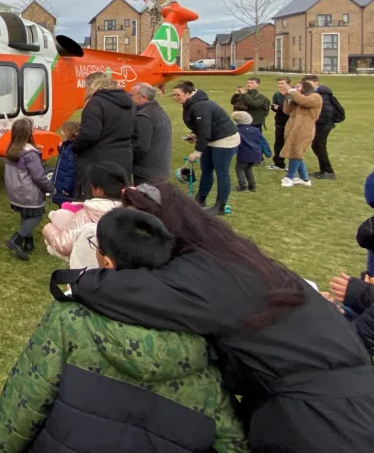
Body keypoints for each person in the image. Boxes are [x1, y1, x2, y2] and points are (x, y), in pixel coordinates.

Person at [72, 181, 374, 452]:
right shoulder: (232, 255)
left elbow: (119, 290)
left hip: (320, 421)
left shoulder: (201, 274)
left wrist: (83, 276)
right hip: (351, 400)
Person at [0, 207, 248, 453]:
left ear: (107, 263)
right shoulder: (202, 334)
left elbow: (24, 402)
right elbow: (232, 437)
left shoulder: (70, 319)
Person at [171, 80, 238, 216]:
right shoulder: (190, 104)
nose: (175, 98)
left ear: (188, 94)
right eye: (174, 95)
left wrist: (197, 152)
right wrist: (194, 134)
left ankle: (220, 206)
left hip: (225, 139)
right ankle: (200, 200)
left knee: (221, 172)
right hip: (211, 138)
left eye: (178, 95)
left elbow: (204, 130)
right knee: (206, 170)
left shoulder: (201, 106)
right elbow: (200, 128)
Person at [42, 161, 124, 269]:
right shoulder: (128, 213)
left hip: (85, 273)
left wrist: (48, 228)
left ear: (99, 190)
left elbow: (64, 245)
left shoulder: (86, 214)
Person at [69, 72, 135, 198]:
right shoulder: (128, 103)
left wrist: (75, 146)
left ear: (92, 85)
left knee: (95, 199)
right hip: (124, 156)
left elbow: (89, 134)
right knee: (118, 197)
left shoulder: (96, 103)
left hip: (99, 159)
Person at [3, 118, 54, 261]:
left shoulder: (11, 149)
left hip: (15, 191)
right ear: (29, 133)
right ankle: (17, 239)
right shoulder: (30, 154)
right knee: (37, 215)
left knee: (26, 214)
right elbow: (39, 177)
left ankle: (28, 242)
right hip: (28, 192)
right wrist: (51, 188)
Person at [280, 79, 322, 188]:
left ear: (305, 88)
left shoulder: (315, 97)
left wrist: (292, 92)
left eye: (298, 87)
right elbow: (286, 111)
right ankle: (305, 179)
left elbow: (305, 102)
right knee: (295, 152)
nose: (296, 89)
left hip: (304, 129)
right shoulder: (297, 99)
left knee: (296, 151)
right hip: (292, 128)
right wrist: (288, 99)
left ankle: (289, 177)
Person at [129, 82, 172, 185]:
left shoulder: (143, 116)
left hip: (146, 173)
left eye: (131, 95)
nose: (129, 98)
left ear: (143, 97)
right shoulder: (158, 110)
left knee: (145, 200)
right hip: (160, 169)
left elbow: (140, 146)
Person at [304, 74, 345, 180]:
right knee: (317, 146)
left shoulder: (322, 94)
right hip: (320, 124)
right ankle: (324, 170)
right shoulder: (315, 93)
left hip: (324, 124)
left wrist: (317, 122)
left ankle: (329, 171)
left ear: (315, 82)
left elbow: (326, 112)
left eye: (309, 83)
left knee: (319, 146)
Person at [231, 110, 263, 192]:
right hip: (256, 153)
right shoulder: (256, 130)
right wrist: (267, 152)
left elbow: (234, 142)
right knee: (248, 168)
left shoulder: (237, 130)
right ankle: (252, 185)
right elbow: (263, 141)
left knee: (239, 168)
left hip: (244, 154)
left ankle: (243, 185)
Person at [49, 120, 79, 206]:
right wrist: (61, 148)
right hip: (61, 184)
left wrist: (66, 188)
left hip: (65, 189)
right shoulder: (67, 145)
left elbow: (72, 169)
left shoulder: (72, 148)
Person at [267, 76, 291, 171]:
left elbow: (291, 109)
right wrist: (274, 108)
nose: (280, 85)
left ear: (288, 84)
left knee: (290, 144)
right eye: (279, 83)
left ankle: (292, 164)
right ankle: (279, 163)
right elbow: (274, 107)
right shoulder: (277, 94)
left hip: (290, 122)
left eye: (282, 83)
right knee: (278, 143)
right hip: (280, 122)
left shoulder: (292, 94)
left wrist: (280, 108)